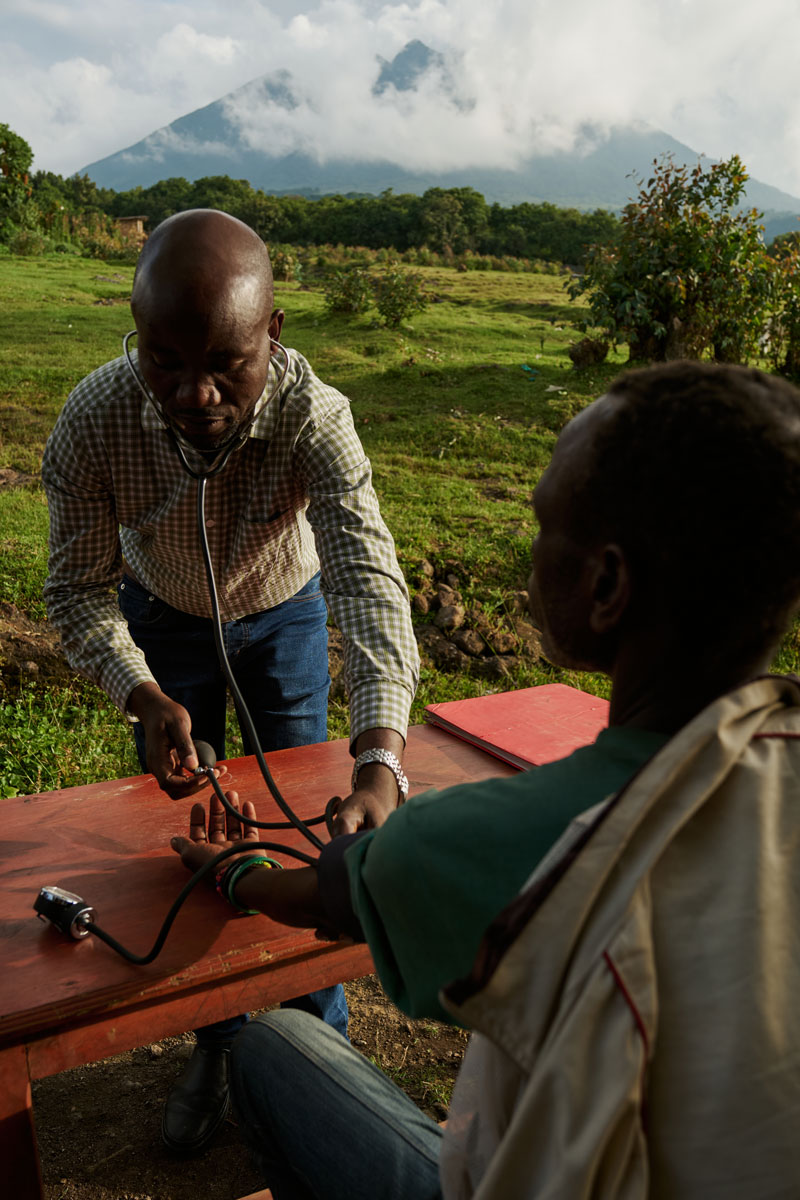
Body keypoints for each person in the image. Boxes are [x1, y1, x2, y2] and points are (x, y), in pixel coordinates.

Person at [172, 360, 800, 1198]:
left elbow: (322, 898)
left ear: (608, 584)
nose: (530, 549)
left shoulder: (500, 842)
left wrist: (238, 871)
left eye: (543, 521)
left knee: (275, 1049)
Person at [41, 209, 419, 1154]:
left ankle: (314, 1045)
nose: (194, 394)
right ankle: (220, 1042)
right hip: (163, 623)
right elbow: (77, 593)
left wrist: (378, 756)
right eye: (163, 362)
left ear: (273, 337)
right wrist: (141, 692)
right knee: (203, 829)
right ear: (136, 339)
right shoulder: (91, 422)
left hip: (285, 615)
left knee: (307, 828)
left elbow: (368, 579)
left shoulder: (315, 418)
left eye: (225, 365)